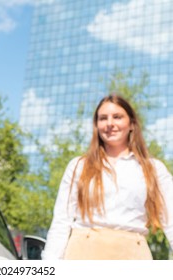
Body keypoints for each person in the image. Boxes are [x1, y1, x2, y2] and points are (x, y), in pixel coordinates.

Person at [42, 94, 173, 260]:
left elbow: (171, 220)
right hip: (82, 254)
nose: (110, 123)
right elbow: (61, 221)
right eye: (103, 118)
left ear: (131, 124)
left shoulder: (154, 169)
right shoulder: (79, 166)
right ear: (96, 125)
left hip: (133, 256)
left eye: (117, 117)